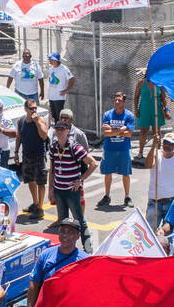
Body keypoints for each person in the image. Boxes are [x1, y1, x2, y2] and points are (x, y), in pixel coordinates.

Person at [47, 116, 95, 247]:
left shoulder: (75, 147)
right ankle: (66, 247)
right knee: (63, 222)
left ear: (67, 131)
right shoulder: (53, 147)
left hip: (71, 191)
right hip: (58, 190)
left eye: (62, 129)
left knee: (79, 219)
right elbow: (52, 170)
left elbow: (93, 164)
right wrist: (50, 189)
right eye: (57, 129)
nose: (59, 132)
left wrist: (80, 180)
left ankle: (87, 247)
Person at [98, 91, 135, 208]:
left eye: (119, 100)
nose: (116, 102)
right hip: (109, 149)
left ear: (124, 102)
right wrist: (121, 129)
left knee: (126, 173)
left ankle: (127, 196)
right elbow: (106, 133)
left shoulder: (129, 115)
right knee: (108, 172)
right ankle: (107, 195)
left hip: (124, 149)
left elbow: (129, 134)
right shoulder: (107, 114)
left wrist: (113, 129)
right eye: (115, 100)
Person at [143, 132, 174, 231]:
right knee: (149, 232)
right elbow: (148, 165)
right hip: (155, 202)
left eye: (170, 144)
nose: (167, 145)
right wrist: (153, 145)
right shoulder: (155, 154)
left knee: (169, 234)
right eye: (165, 142)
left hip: (172, 202)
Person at [46, 52, 74, 122]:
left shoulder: (64, 69)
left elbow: (72, 78)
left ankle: (60, 129)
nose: (50, 60)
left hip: (59, 97)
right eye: (49, 59)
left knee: (59, 115)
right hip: (51, 96)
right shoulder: (51, 68)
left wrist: (67, 90)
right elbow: (50, 79)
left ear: (56, 60)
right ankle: (57, 128)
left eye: (51, 59)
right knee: (54, 115)